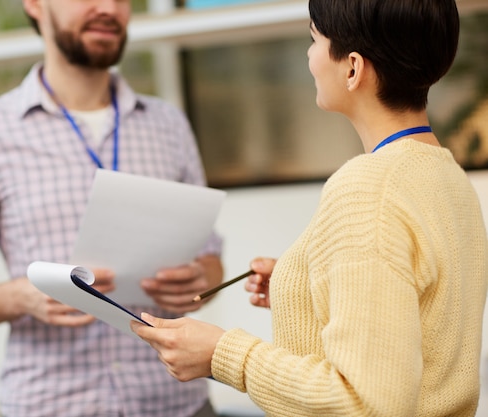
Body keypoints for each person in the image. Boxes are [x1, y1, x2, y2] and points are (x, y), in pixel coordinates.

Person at [132, 0, 488, 415]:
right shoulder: (448, 178)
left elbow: (364, 402)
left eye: (315, 39)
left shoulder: (368, 188)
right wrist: (301, 285)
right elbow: (413, 322)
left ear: (352, 68)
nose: (309, 54)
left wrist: (222, 354)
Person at [0, 0, 224, 416]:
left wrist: (198, 280)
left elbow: (211, 261)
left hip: (177, 404)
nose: (108, 8)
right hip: (52, 404)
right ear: (34, 4)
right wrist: (23, 297)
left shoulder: (168, 125)